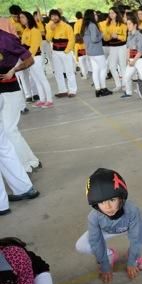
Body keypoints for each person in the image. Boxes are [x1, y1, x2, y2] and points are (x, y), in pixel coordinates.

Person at [76, 168, 142, 284]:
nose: (108, 207)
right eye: (102, 202)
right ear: (95, 204)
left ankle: (133, 253)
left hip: (128, 226)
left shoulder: (132, 210)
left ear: (120, 198)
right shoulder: (94, 217)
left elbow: (137, 237)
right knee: (81, 245)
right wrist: (105, 265)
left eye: (112, 200)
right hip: (105, 230)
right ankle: (109, 254)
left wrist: (132, 261)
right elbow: (95, 241)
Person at [0, 30, 40, 216]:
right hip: (2, 94)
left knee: (8, 132)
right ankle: (25, 176)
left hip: (9, 91)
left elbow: (29, 59)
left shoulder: (6, 38)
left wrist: (13, 70)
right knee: (6, 137)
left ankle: (28, 165)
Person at [19, 11, 54, 109]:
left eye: (22, 17)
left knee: (42, 79)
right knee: (36, 79)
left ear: (28, 18)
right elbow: (23, 46)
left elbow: (34, 47)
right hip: (29, 58)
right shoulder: (25, 31)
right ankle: (42, 99)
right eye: (20, 17)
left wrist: (27, 58)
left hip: (35, 58)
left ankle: (49, 100)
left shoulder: (35, 30)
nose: (20, 19)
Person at [46, 9, 77, 98]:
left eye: (55, 15)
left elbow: (72, 39)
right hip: (55, 52)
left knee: (69, 71)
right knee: (58, 72)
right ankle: (62, 90)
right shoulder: (49, 26)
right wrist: (51, 30)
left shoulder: (67, 26)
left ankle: (72, 90)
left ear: (59, 16)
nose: (54, 18)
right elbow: (48, 39)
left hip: (65, 51)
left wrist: (67, 50)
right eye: (52, 16)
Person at [82, 9, 112, 98]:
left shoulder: (85, 26)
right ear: (91, 15)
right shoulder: (92, 25)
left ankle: (97, 90)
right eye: (94, 14)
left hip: (90, 52)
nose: (96, 16)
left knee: (95, 71)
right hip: (97, 51)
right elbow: (94, 39)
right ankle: (103, 88)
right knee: (103, 69)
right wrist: (101, 35)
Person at [103, 7, 127, 92]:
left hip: (122, 47)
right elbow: (105, 38)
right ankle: (118, 84)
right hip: (112, 47)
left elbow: (124, 38)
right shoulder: (107, 24)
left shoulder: (123, 24)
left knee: (123, 66)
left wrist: (117, 36)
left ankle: (125, 84)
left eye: (112, 13)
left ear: (116, 13)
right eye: (110, 13)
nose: (111, 15)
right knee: (112, 66)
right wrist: (108, 36)